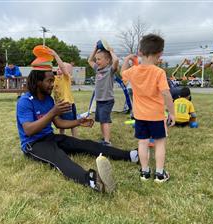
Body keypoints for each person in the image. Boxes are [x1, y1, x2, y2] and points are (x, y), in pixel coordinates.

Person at [16, 57, 139, 193]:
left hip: (50, 137)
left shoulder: (48, 99)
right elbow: (28, 130)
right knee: (59, 157)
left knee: (85, 144)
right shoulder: (25, 101)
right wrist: (52, 112)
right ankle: (91, 180)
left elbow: (58, 123)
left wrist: (79, 122)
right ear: (38, 82)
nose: (53, 84)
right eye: (49, 81)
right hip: (33, 144)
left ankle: (131, 155)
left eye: (53, 80)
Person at [121, 34, 175, 183]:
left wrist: (126, 60)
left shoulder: (133, 71)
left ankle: (144, 172)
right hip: (156, 116)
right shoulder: (159, 72)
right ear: (160, 54)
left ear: (140, 52)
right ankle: (159, 174)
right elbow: (166, 93)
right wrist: (172, 112)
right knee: (159, 143)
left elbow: (122, 73)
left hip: (139, 116)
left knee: (142, 143)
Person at [88, 44, 119, 146]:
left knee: (105, 120)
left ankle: (107, 141)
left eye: (99, 59)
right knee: (101, 120)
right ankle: (104, 138)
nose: (97, 61)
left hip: (107, 100)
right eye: (97, 59)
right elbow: (89, 61)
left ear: (107, 61)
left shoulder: (110, 70)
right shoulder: (97, 69)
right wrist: (95, 49)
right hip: (99, 100)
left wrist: (110, 51)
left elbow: (116, 61)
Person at [51, 50, 78, 137]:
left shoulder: (66, 78)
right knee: (61, 123)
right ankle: (62, 137)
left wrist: (55, 55)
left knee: (72, 123)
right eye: (58, 68)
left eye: (61, 68)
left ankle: (75, 139)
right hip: (59, 104)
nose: (59, 69)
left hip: (67, 104)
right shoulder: (55, 78)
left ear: (68, 72)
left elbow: (63, 68)